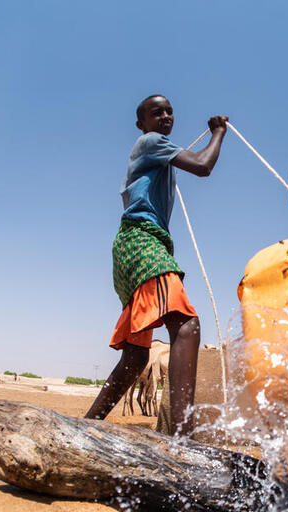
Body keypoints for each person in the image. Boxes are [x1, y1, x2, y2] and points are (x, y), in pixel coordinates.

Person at [84, 95, 229, 433]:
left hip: (130, 248)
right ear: (142, 124)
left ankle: (88, 426)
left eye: (168, 111)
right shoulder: (151, 142)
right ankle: (181, 438)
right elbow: (204, 166)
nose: (165, 116)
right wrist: (219, 133)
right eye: (156, 113)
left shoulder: (156, 152)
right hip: (142, 242)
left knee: (135, 358)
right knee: (187, 326)